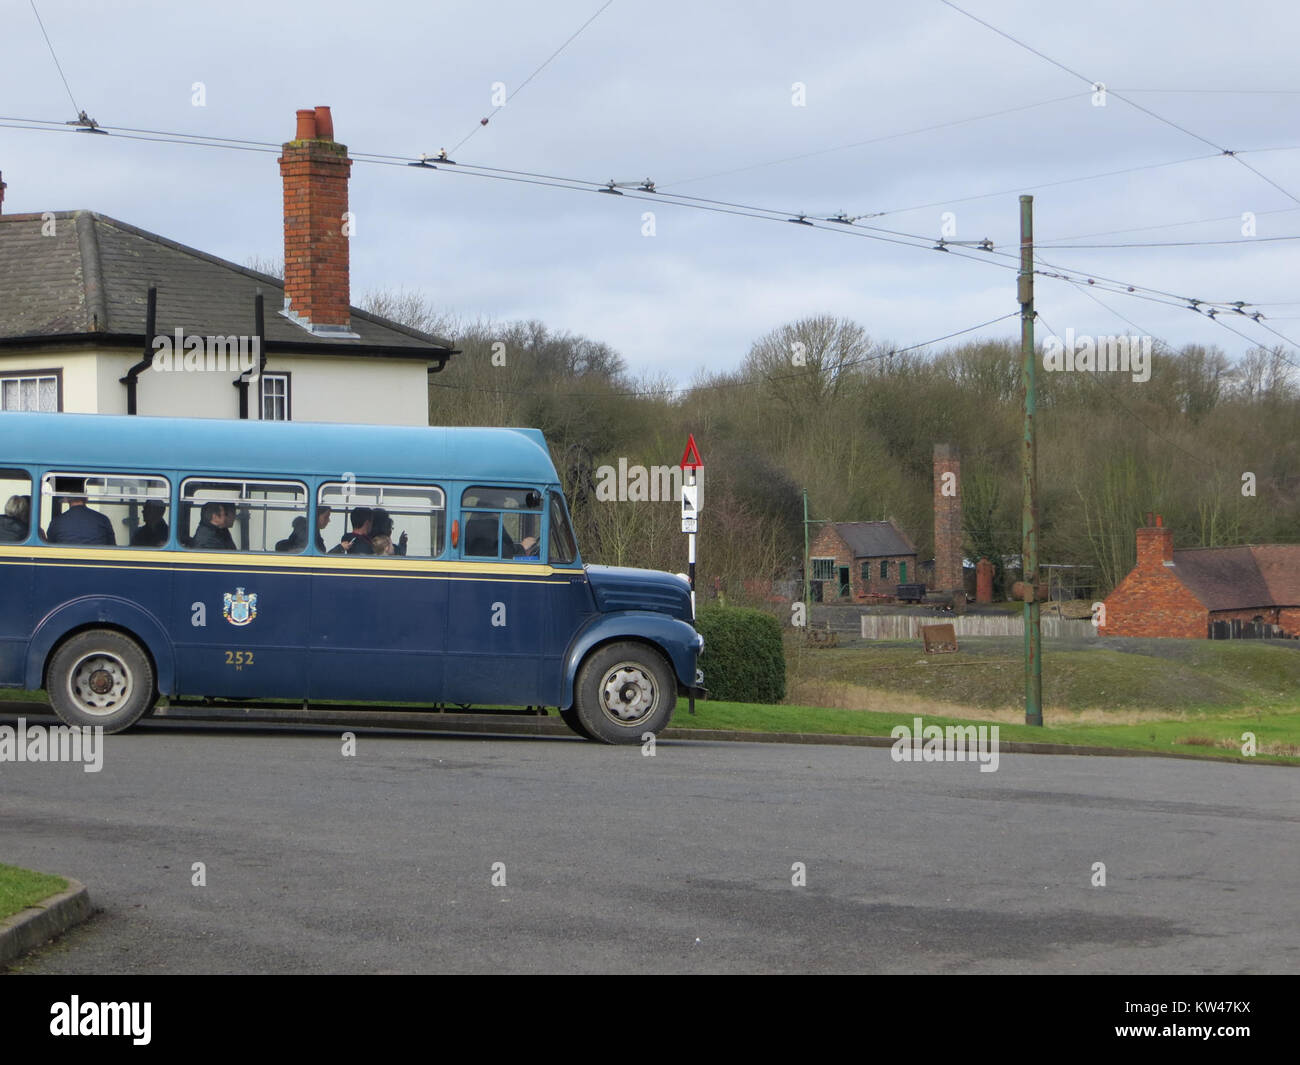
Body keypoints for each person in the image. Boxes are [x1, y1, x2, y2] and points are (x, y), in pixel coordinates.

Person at [46, 481, 115, 545]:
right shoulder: (103, 519)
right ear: (86, 497)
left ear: (66, 499)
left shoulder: (56, 522)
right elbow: (112, 546)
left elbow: (50, 545)